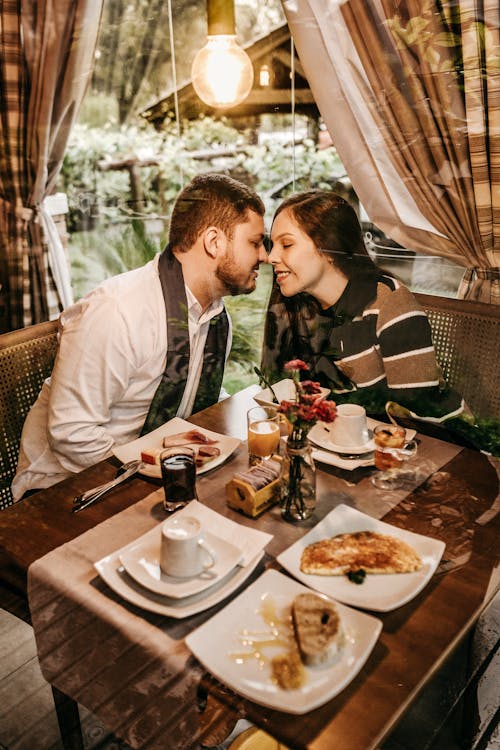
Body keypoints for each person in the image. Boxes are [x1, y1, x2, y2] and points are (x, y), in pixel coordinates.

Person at [12, 173, 267, 500]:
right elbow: (72, 435)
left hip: (150, 475)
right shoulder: (118, 312)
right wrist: (152, 468)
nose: (264, 256)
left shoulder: (215, 317)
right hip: (63, 492)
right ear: (214, 242)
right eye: (255, 242)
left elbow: (188, 405)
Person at [261, 190, 465, 421]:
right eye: (272, 244)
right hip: (349, 441)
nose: (271, 257)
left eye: (286, 245)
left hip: (438, 443)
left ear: (329, 249)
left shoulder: (388, 303)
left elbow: (414, 417)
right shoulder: (299, 309)